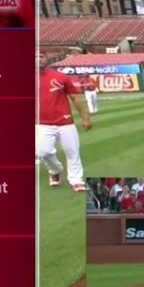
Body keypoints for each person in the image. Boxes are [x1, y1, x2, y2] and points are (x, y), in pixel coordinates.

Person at [38, 51, 91, 192]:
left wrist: (85, 117)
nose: (38, 59)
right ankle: (55, 169)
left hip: (65, 121)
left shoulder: (61, 77)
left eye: (41, 57)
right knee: (43, 152)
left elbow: (75, 98)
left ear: (46, 58)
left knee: (72, 151)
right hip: (42, 123)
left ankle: (76, 180)